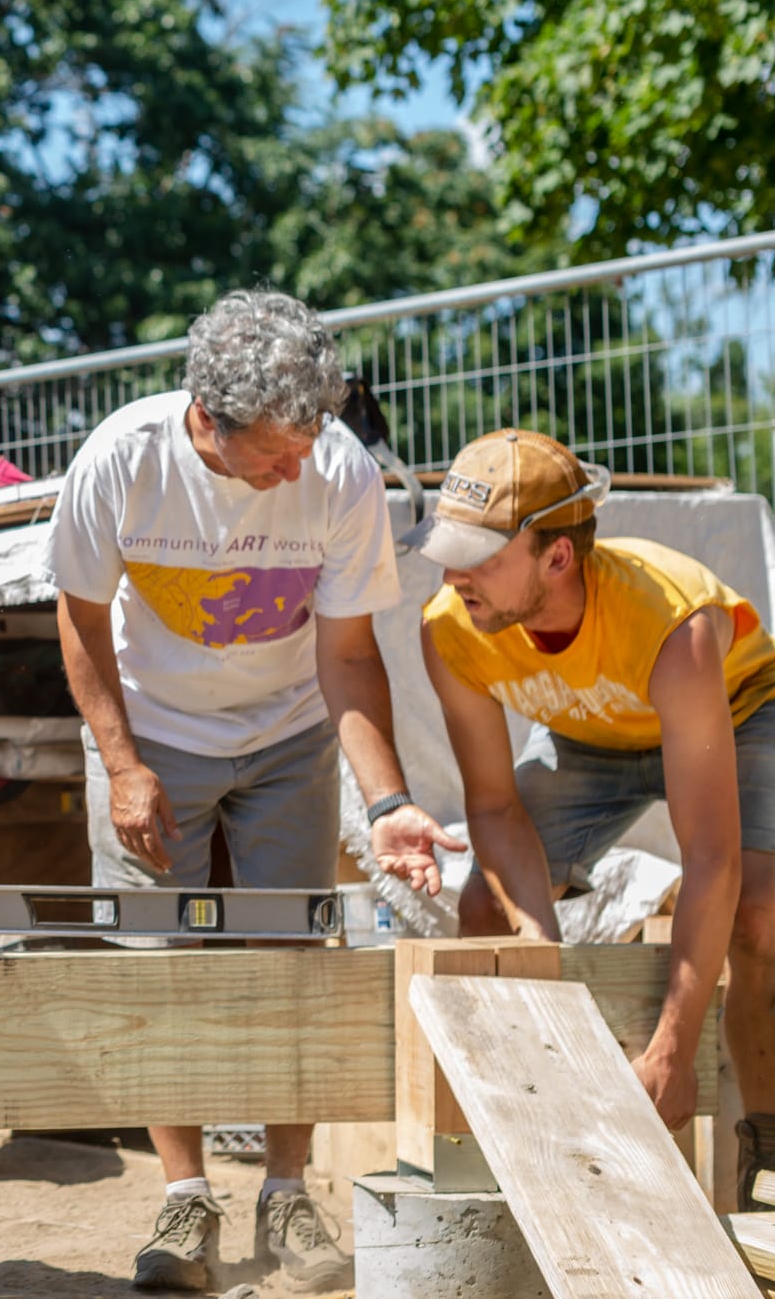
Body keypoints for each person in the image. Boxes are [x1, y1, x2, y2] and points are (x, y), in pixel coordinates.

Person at [42, 290, 457, 1294]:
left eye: (307, 444)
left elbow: (348, 654)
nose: (296, 470)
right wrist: (123, 764)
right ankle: (185, 1199)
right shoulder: (123, 459)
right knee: (156, 968)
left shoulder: (339, 468)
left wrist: (388, 802)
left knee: (292, 961)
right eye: (275, 453)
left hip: (288, 732)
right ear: (208, 417)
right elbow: (81, 620)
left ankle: (285, 1192)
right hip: (151, 728)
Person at [407, 428, 775, 1192]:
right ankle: (503, 1153)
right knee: (488, 910)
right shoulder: (448, 626)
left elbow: (711, 857)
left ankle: (769, 1153)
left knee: (760, 918)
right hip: (589, 730)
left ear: (557, 557)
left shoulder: (672, 623)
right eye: (446, 551)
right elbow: (493, 807)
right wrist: (536, 938)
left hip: (737, 710)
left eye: (477, 557)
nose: (452, 576)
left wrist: (672, 1049)